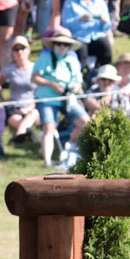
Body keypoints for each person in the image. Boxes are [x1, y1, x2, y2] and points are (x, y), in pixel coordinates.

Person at [31, 27, 88, 167]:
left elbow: (79, 82)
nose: (62, 47)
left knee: (86, 122)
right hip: (47, 99)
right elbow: (34, 78)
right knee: (49, 128)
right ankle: (47, 162)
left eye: (66, 44)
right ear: (54, 44)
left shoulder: (73, 60)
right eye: (59, 43)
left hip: (68, 99)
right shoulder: (45, 57)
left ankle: (69, 147)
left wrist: (75, 88)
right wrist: (52, 84)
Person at [60, 0, 113, 69]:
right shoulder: (70, 2)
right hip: (79, 36)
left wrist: (104, 21)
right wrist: (80, 19)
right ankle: (81, 79)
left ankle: (105, 75)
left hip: (97, 35)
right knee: (81, 53)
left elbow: (107, 26)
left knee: (106, 49)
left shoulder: (100, 2)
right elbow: (66, 24)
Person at [0, 35, 39, 144]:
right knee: (12, 119)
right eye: (16, 49)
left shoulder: (36, 68)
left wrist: (29, 107)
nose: (20, 51)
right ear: (13, 52)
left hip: (33, 106)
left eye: (22, 48)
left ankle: (19, 135)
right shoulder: (9, 70)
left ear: (28, 50)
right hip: (15, 106)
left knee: (33, 114)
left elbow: (41, 92)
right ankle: (26, 133)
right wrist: (2, 99)